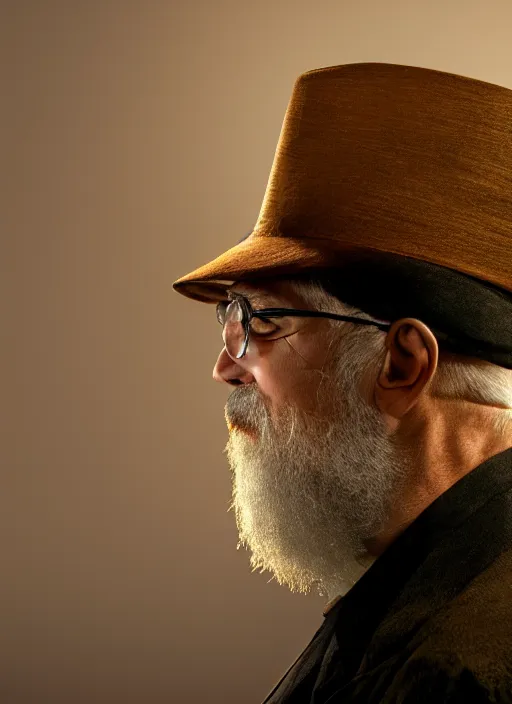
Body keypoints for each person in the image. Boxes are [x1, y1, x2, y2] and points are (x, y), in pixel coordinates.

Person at [173, 63, 512, 702]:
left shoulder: (453, 668)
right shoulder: (427, 600)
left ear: (403, 364)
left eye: (263, 319)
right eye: (230, 317)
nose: (225, 366)